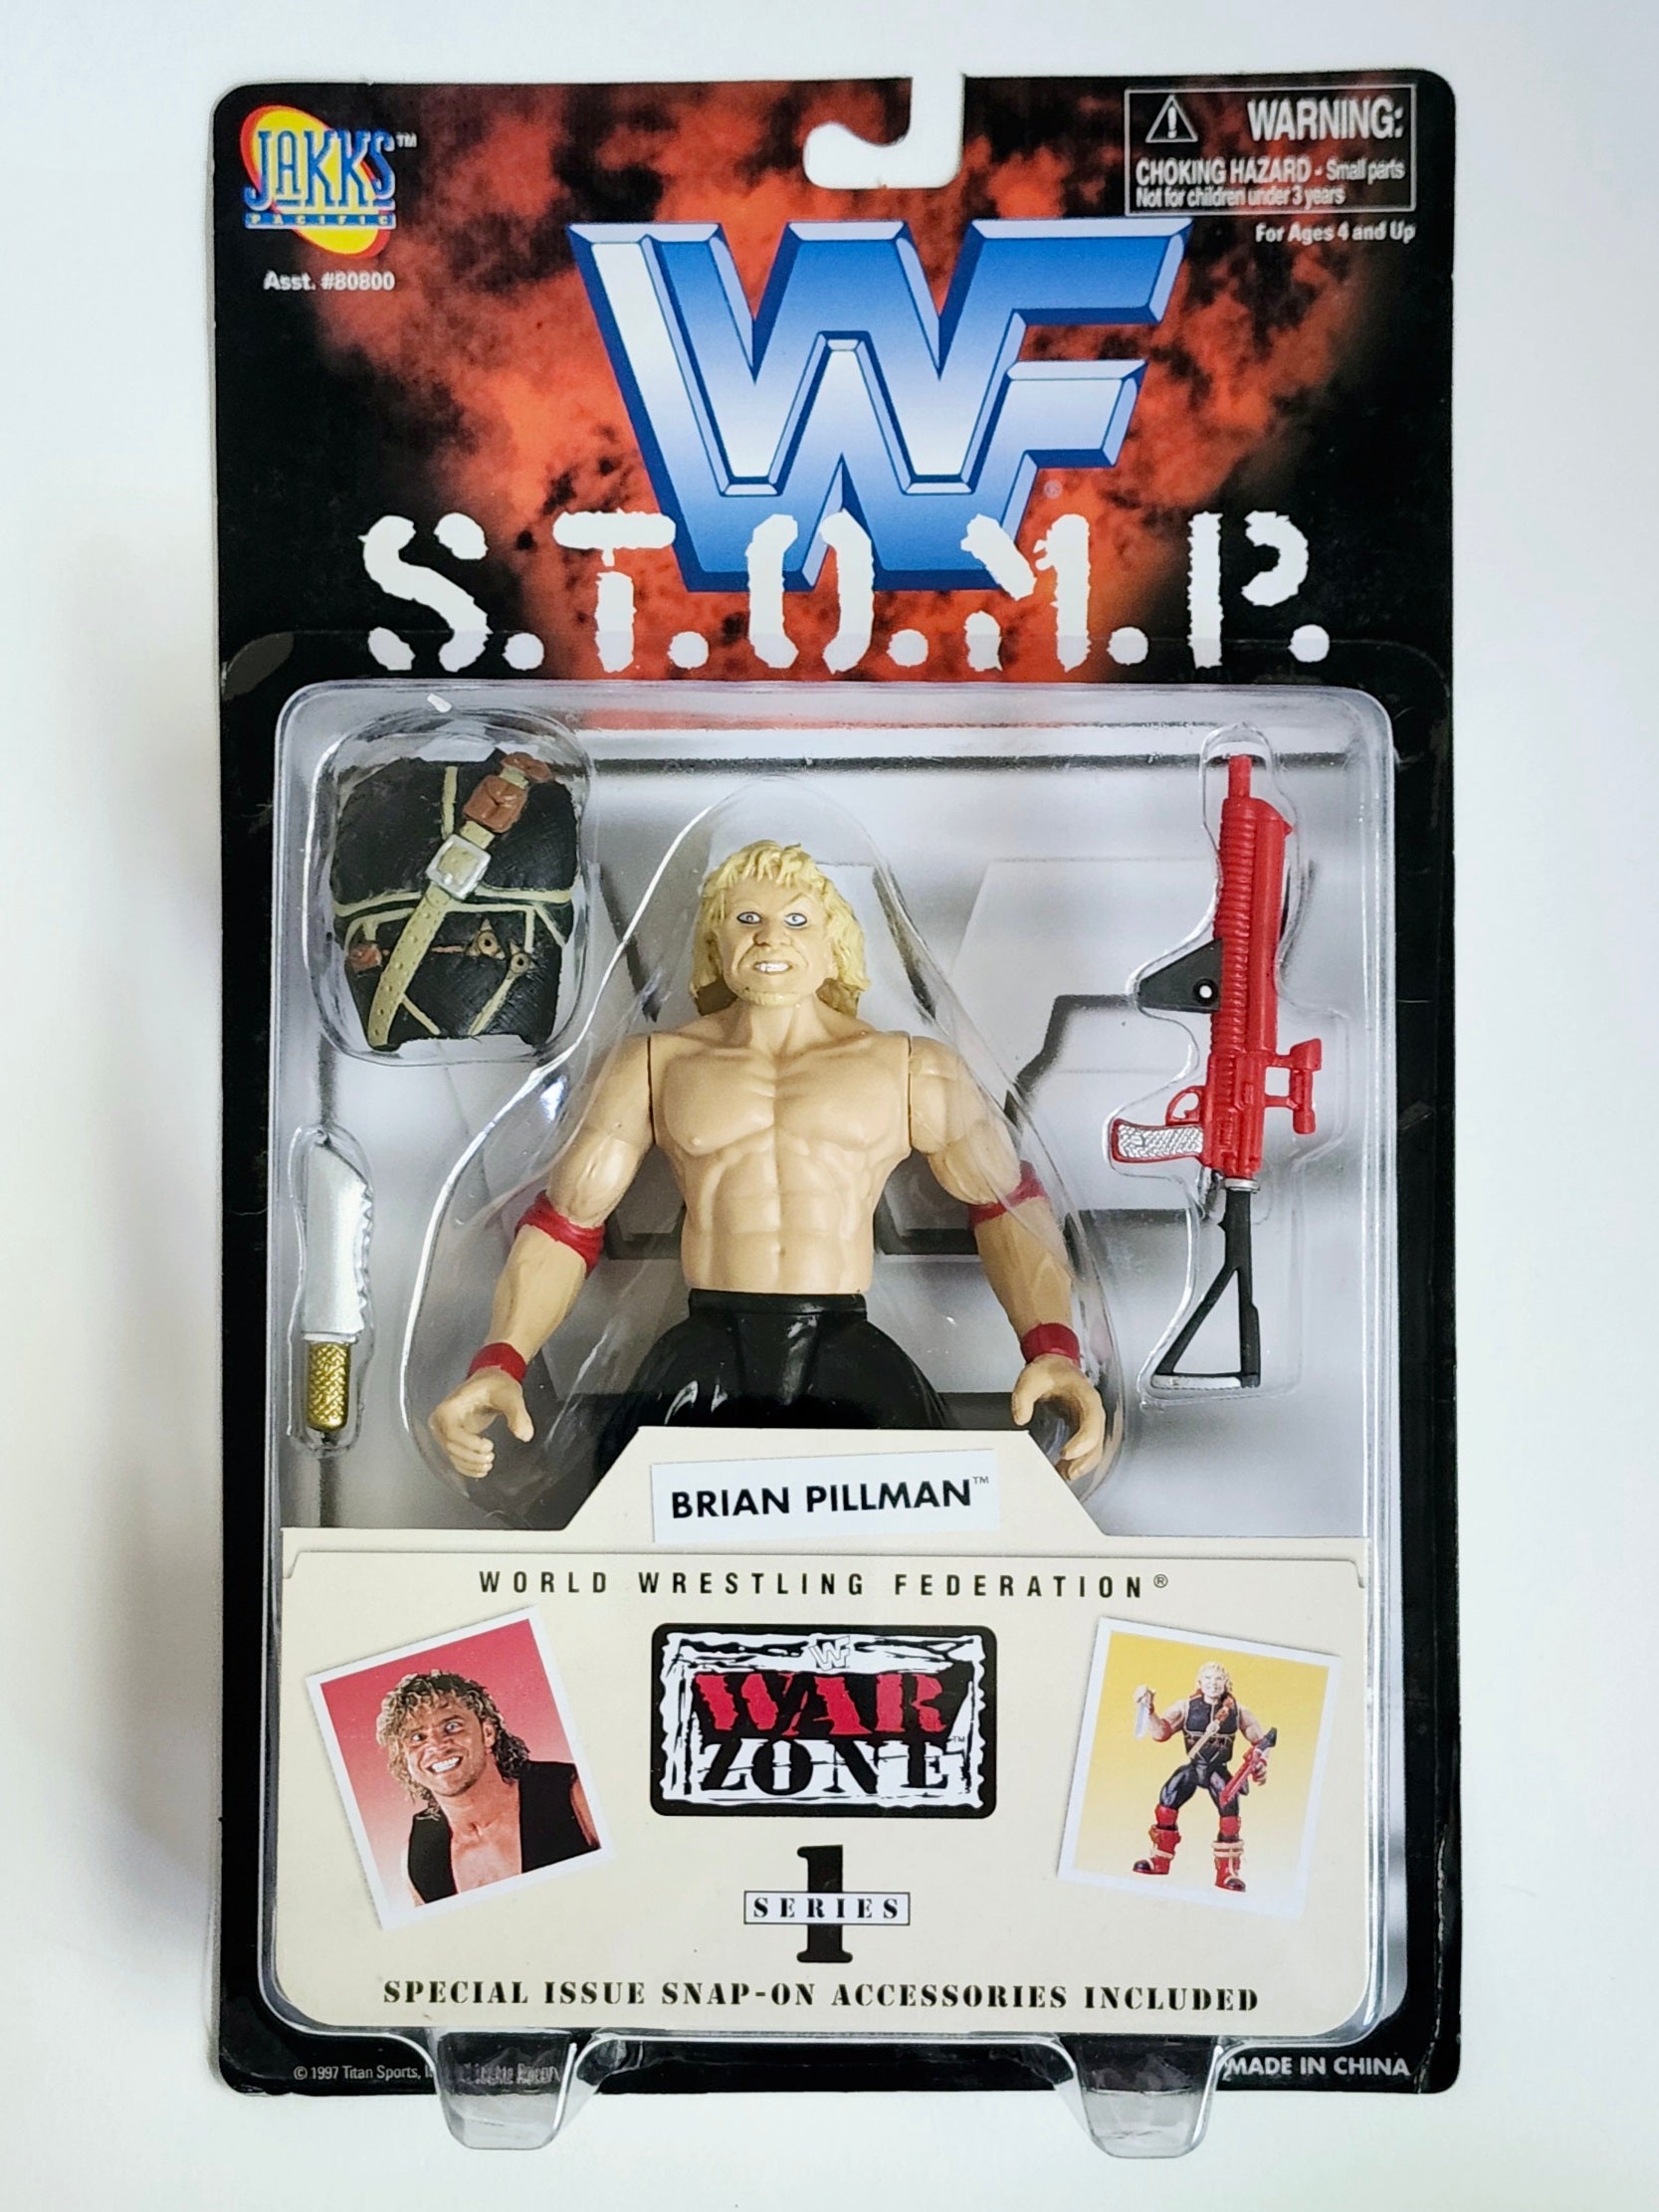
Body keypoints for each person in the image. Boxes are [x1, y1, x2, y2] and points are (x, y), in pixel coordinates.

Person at [429, 840, 1108, 1485]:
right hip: (707, 1344)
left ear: (833, 942)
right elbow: (567, 1221)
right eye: (746, 919)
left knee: (923, 1530)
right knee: (623, 1522)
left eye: (796, 920)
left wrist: (1054, 1350)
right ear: (715, 941)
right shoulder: (654, 1065)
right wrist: (500, 1360)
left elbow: (1005, 1205)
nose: (770, 937)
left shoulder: (909, 1067)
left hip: (845, 1343)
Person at [375, 1670, 598, 1904]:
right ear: (404, 1760)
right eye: (417, 1738)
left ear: (488, 1733)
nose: (437, 1747)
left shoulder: (574, 1794)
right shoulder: (416, 1859)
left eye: (451, 1726)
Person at [1132, 1660, 1274, 1893]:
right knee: (1166, 1802)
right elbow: (1160, 1733)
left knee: (1230, 1816)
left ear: (1226, 1682)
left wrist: (1261, 1762)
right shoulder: (1185, 1707)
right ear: (1199, 1682)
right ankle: (1159, 1859)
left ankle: (1227, 1871)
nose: (1213, 1683)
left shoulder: (1238, 1711)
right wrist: (1149, 1710)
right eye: (1208, 1678)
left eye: (1218, 1679)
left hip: (1218, 1770)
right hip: (1194, 1767)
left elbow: (1262, 1741)